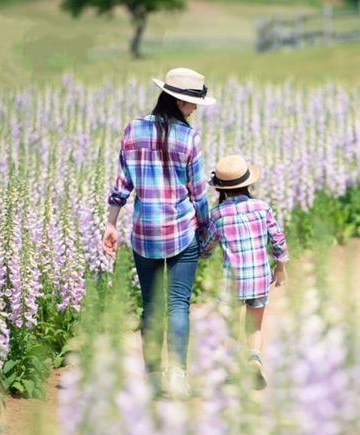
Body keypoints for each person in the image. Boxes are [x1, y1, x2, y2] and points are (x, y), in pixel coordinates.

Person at [102, 67, 216, 399]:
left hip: (144, 231)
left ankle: (152, 378)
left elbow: (122, 184)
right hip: (181, 230)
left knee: (151, 306)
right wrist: (206, 228)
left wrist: (111, 224)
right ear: (180, 102)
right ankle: (177, 377)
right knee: (178, 304)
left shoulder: (133, 129)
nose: (195, 109)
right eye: (193, 103)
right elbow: (197, 193)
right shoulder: (189, 138)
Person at [200, 155, 288, 390]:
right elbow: (278, 238)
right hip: (260, 278)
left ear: (221, 189)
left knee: (228, 327)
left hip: (232, 282)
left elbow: (208, 245)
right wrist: (280, 267)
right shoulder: (262, 207)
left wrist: (201, 254)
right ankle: (254, 364)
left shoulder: (217, 214)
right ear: (248, 184)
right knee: (255, 327)